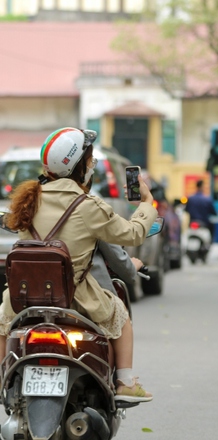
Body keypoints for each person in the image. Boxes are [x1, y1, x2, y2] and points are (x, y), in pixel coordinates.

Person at [0, 127, 157, 403]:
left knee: (3, 324)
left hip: (23, 300)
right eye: (90, 160)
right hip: (76, 300)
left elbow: (9, 222)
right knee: (121, 315)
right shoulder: (87, 206)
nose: (91, 165)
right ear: (81, 166)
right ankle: (126, 382)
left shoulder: (27, 201)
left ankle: (3, 377)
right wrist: (146, 202)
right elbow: (133, 234)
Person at [185, 179, 218, 244]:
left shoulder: (191, 198)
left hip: (192, 222)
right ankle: (211, 243)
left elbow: (187, 210)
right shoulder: (207, 199)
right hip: (204, 223)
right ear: (202, 187)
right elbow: (213, 212)